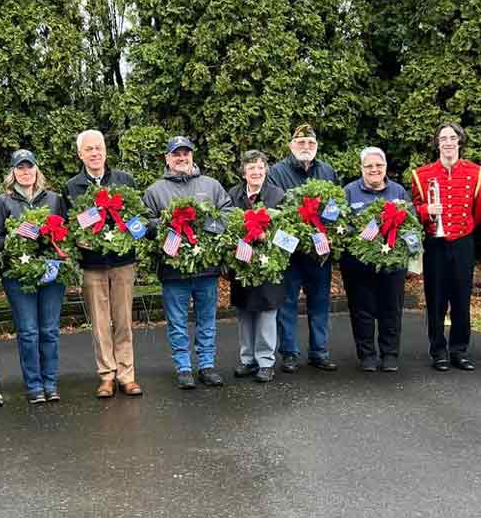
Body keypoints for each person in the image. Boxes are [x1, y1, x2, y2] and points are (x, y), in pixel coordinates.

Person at [143, 136, 234, 389]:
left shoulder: (211, 185)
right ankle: (183, 367)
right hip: (173, 269)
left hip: (207, 267)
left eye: (186, 153)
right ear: (167, 159)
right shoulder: (155, 191)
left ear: (192, 156)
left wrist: (205, 224)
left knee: (207, 320)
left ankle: (206, 365)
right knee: (177, 321)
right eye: (176, 154)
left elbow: (227, 213)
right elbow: (145, 224)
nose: (182, 158)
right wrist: (167, 225)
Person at [64, 130, 143, 398]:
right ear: (80, 154)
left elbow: (137, 217)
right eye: (89, 149)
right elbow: (72, 224)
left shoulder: (124, 180)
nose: (95, 153)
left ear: (106, 151)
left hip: (122, 261)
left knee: (123, 321)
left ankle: (127, 375)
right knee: (99, 323)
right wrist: (91, 220)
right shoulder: (72, 187)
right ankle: (107, 375)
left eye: (99, 148)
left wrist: (131, 235)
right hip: (92, 264)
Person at [0, 150, 67, 403]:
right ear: (13, 172)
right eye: (20, 168)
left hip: (51, 273)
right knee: (28, 332)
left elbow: (64, 231)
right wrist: (16, 237)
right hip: (18, 274)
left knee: (49, 330)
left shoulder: (54, 199)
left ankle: (50, 383)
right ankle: (34, 385)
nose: (25, 172)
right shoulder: (2, 202)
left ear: (37, 169)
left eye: (29, 167)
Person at [411, 123, 481, 372]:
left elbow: (479, 211)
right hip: (435, 243)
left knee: (461, 298)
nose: (448, 142)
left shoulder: (475, 172)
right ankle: (438, 351)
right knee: (436, 299)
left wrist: (463, 230)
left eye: (452, 137)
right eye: (443, 138)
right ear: (437, 143)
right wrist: (426, 211)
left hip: (463, 241)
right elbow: (413, 210)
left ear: (459, 141)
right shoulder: (421, 174)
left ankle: (459, 350)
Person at [267, 124, 339, 373]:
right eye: (301, 143)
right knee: (286, 304)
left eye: (310, 143)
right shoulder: (276, 172)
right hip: (290, 252)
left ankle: (319, 352)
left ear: (316, 146)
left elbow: (335, 206)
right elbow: (275, 209)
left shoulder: (327, 171)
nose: (306, 147)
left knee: (320, 302)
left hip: (319, 252)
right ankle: (289, 353)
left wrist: (330, 233)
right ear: (291, 146)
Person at [340, 147, 412, 373]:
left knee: (391, 309)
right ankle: (367, 355)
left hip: (393, 263)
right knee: (361, 309)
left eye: (379, 165)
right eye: (369, 166)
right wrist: (361, 235)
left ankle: (390, 354)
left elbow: (411, 223)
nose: (374, 169)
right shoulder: (349, 191)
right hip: (357, 263)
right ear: (361, 168)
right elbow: (339, 224)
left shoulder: (398, 191)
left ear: (385, 167)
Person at [227, 150, 286, 383]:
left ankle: (265, 361)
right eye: (251, 167)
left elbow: (287, 233)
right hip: (242, 262)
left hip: (268, 264)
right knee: (244, 311)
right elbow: (226, 225)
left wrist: (266, 237)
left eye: (260, 167)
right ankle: (247, 359)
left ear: (266, 171)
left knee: (266, 312)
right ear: (243, 172)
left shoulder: (277, 195)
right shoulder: (233, 195)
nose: (256, 172)